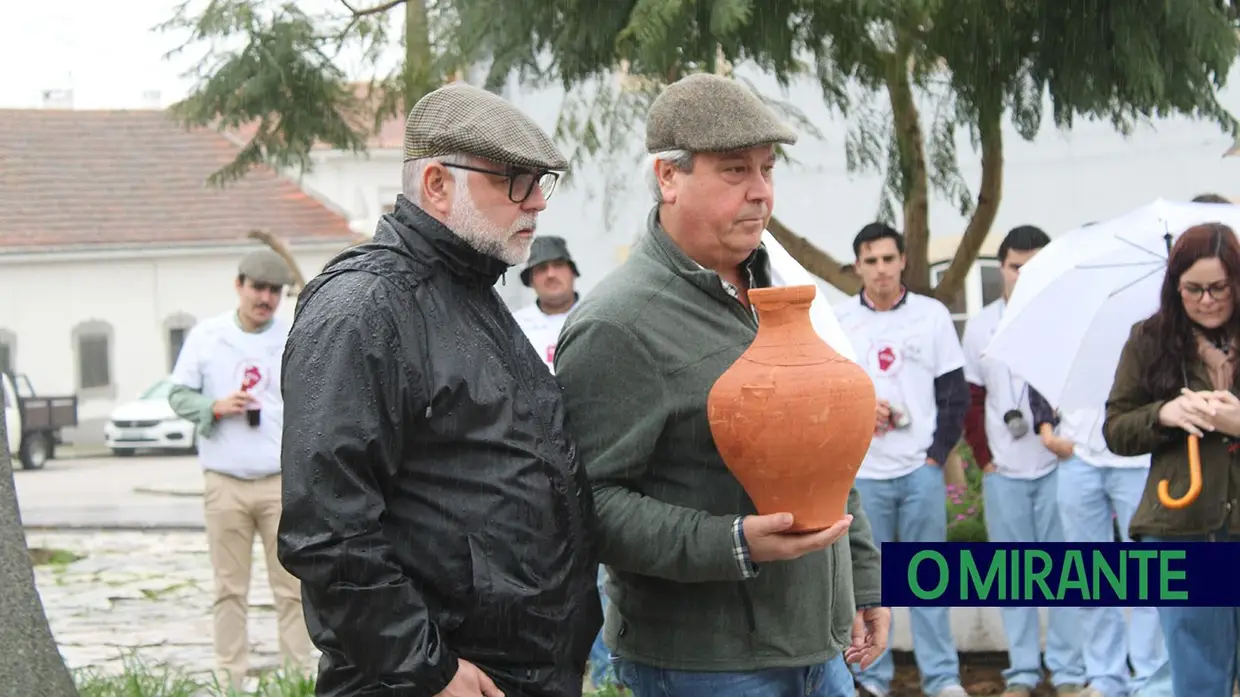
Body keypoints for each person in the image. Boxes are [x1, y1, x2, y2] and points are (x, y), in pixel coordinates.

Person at [554, 72, 888, 697]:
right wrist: (732, 542)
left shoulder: (782, 288)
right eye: (735, 170)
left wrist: (863, 583)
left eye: (767, 169)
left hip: (822, 650)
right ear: (668, 177)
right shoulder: (618, 324)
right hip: (708, 666)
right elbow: (588, 504)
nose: (761, 191)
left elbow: (828, 454)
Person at [277, 82, 602, 697]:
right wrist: (428, 669)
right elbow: (327, 531)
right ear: (436, 184)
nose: (537, 202)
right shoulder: (364, 309)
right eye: (515, 181)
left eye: (541, 182)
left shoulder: (472, 291)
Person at [833, 222, 973, 697]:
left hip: (919, 471)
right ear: (858, 266)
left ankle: (942, 677)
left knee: (928, 576)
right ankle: (872, 677)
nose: (881, 269)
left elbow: (954, 395)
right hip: (864, 474)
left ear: (903, 262)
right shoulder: (839, 321)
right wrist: (858, 410)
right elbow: (826, 395)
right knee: (869, 583)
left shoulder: (932, 316)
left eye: (888, 259)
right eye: (871, 261)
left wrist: (935, 457)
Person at [166, 248, 312, 691]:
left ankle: (297, 676)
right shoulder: (207, 337)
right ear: (239, 286)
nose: (265, 298)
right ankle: (229, 677)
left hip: (278, 483)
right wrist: (213, 406)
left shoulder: (293, 336)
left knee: (291, 586)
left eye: (275, 291)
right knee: (229, 588)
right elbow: (178, 395)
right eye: (258, 288)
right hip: (224, 482)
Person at [1104, 222, 1240, 697]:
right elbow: (1116, 429)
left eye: (1219, 287)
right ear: (1174, 286)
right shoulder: (1150, 339)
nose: (1206, 300)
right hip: (1179, 526)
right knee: (1198, 676)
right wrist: (1163, 414)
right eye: (1192, 289)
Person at [961, 225, 1086, 697]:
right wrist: (984, 458)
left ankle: (1069, 670)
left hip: (1058, 467)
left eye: (1036, 268)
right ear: (1002, 269)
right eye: (1017, 267)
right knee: (1013, 575)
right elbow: (972, 397)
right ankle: (1023, 671)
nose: (1025, 276)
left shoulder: (1067, 322)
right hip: (1005, 470)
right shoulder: (981, 326)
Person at [1037, 400, 1172, 697]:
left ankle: (1149, 679)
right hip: (1078, 456)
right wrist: (1047, 431)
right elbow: (1043, 388)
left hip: (1138, 460)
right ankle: (1104, 678)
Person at [512, 235, 581, 373]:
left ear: (572, 273)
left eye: (558, 265)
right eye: (541, 268)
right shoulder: (513, 327)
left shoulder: (596, 317)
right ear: (531, 280)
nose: (551, 274)